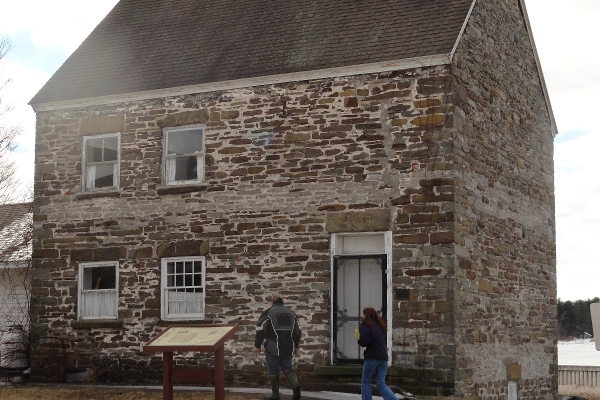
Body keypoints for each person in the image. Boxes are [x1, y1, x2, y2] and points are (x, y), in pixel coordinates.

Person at [254, 293, 302, 400]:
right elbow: (297, 331)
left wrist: (258, 345)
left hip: (273, 347)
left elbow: (260, 329)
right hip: (288, 346)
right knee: (288, 368)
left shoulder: (268, 312)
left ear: (272, 302)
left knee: (273, 369)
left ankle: (275, 395)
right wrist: (297, 344)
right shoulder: (292, 313)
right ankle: (296, 386)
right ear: (282, 301)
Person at [357, 307, 397, 400]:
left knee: (365, 382)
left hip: (372, 357)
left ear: (366, 315)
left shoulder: (365, 325)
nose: (362, 316)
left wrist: (359, 340)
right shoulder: (380, 326)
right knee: (381, 383)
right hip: (383, 357)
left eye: (363, 314)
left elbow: (365, 340)